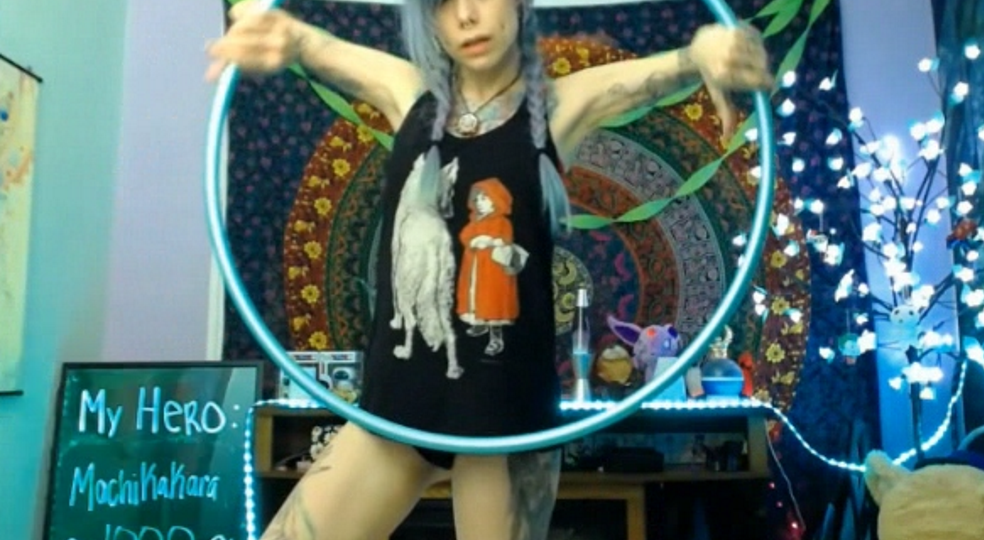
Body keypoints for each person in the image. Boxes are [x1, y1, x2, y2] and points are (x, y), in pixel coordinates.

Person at [206, 0, 772, 537]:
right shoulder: (408, 92)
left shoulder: (556, 107)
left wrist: (705, 51)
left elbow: (668, 68)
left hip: (505, 426)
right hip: (397, 413)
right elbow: (312, 44)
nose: (467, 16)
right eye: (443, 3)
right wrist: (278, 32)